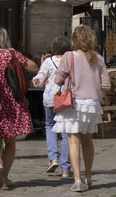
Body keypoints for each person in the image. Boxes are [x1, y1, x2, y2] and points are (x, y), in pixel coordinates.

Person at [52, 24, 110, 193]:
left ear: (74, 40)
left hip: (74, 104)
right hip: (91, 105)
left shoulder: (68, 57)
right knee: (87, 141)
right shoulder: (98, 58)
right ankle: (89, 176)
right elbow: (106, 85)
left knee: (73, 140)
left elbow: (57, 81)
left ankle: (77, 180)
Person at [0, 27, 36, 191]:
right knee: (11, 142)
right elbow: (34, 68)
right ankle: (4, 176)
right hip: (13, 103)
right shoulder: (12, 55)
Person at [35, 36, 74, 179]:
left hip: (50, 99)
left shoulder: (48, 61)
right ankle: (66, 168)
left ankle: (53, 159)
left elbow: (38, 81)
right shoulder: (70, 60)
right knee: (65, 132)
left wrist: (41, 67)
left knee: (50, 126)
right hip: (65, 99)